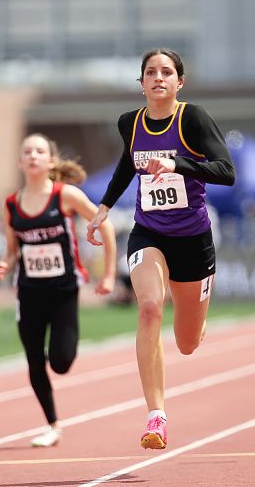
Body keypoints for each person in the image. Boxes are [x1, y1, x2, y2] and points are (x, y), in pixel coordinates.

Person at [86, 48, 235, 450]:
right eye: (150, 72)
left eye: (166, 72)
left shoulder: (194, 118)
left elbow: (227, 171)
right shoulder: (129, 123)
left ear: (179, 82)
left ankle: (199, 312)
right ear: (141, 83)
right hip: (148, 233)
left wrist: (177, 164)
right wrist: (103, 207)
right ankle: (157, 416)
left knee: (187, 342)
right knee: (150, 307)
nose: (158, 78)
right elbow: (126, 163)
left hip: (193, 241)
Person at [0, 134, 117, 448]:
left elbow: (105, 224)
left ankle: (63, 345)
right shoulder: (11, 203)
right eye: (27, 152)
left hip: (63, 290)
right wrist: (5, 264)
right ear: (20, 162)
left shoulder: (65, 196)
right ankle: (53, 425)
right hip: (28, 292)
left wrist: (110, 275)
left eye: (40, 151)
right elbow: (12, 250)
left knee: (60, 362)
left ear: (50, 161)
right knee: (34, 359)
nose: (33, 156)